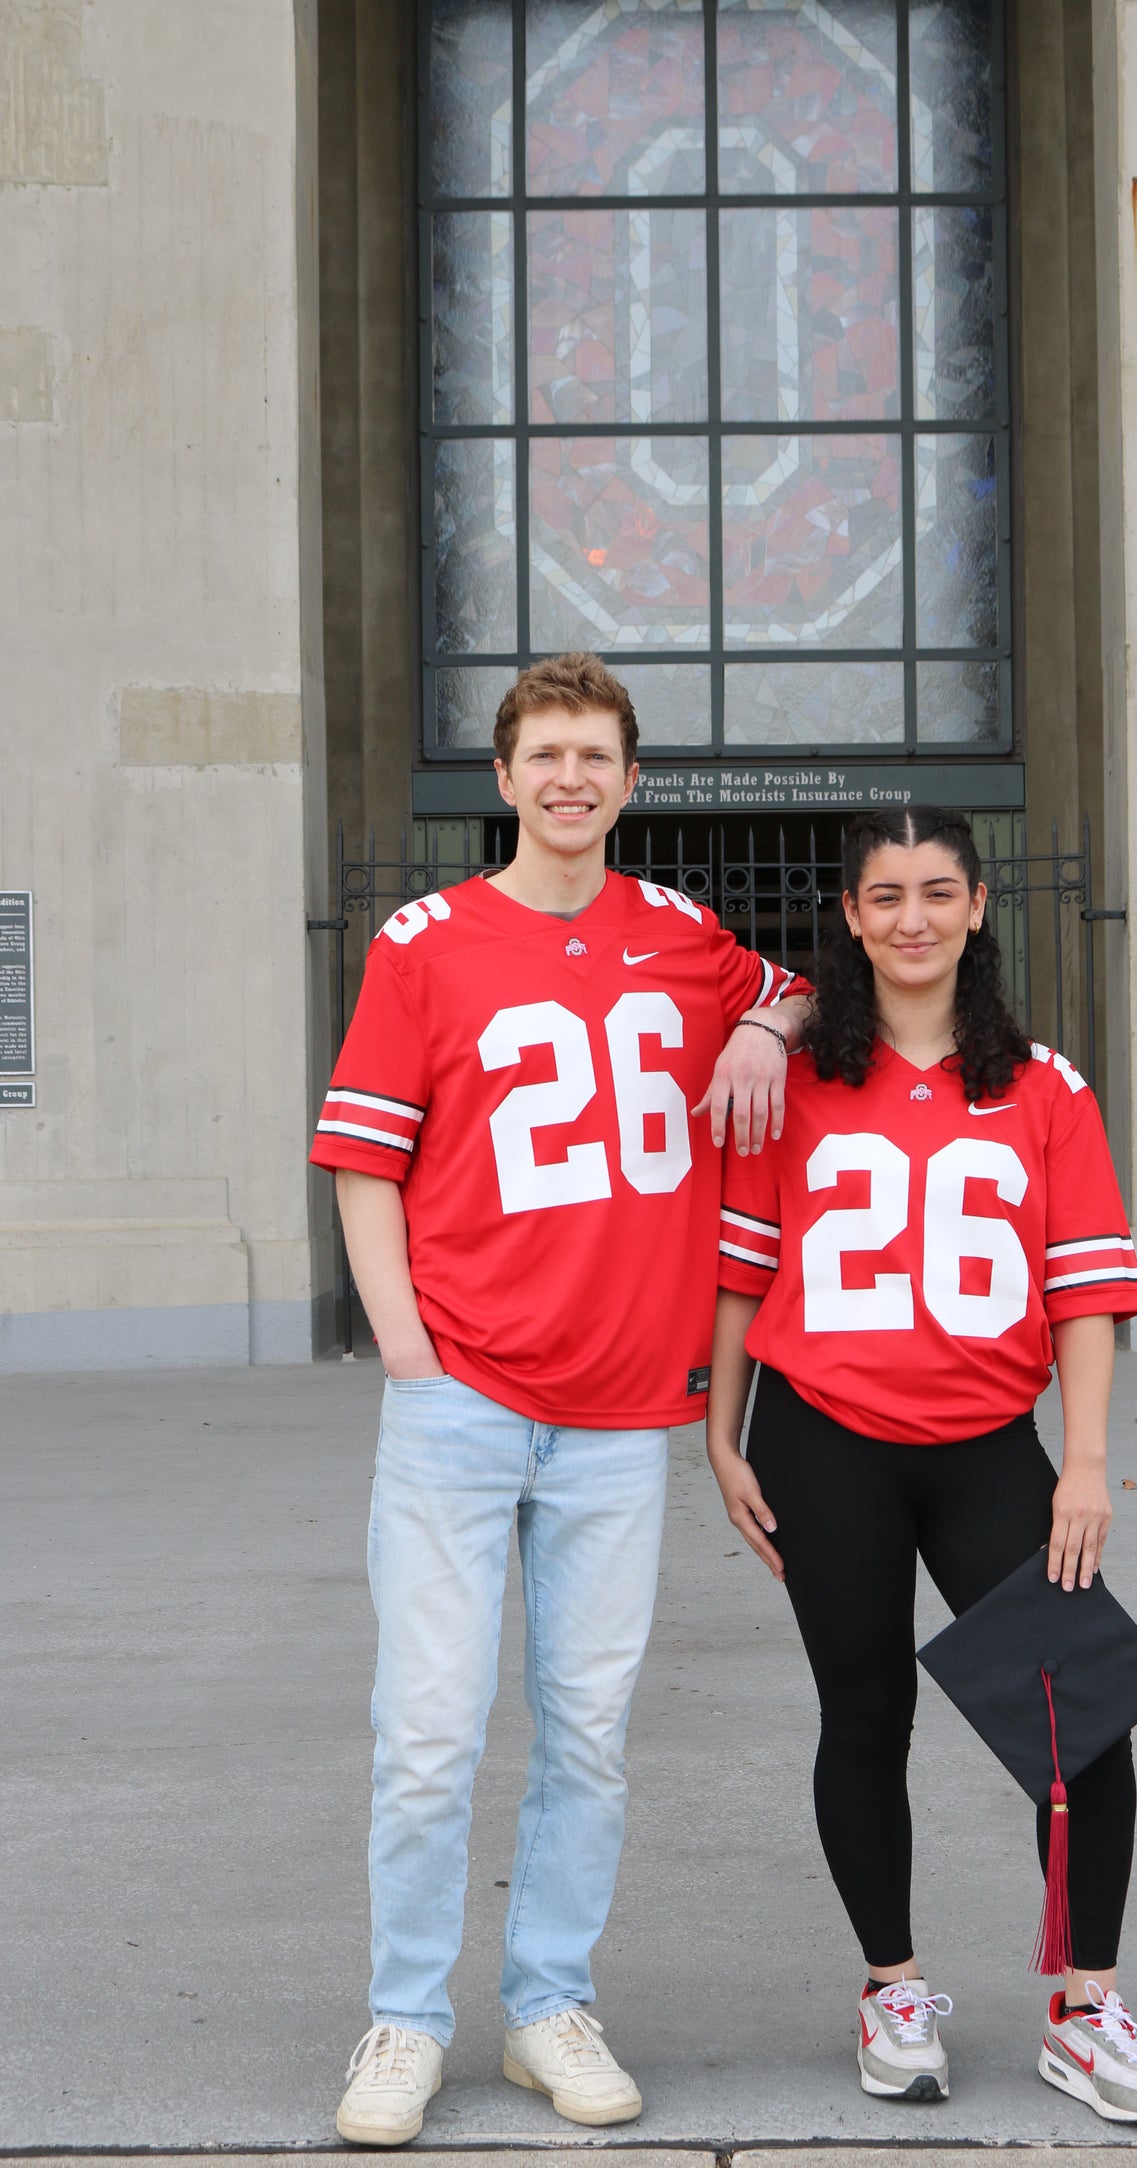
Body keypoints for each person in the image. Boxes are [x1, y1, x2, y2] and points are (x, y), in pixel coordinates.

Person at [311, 653, 810, 2144]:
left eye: (597, 756)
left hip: (614, 1417)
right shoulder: (425, 940)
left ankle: (545, 2006)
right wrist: (406, 1349)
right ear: (503, 774)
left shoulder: (684, 936)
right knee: (428, 1730)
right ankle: (404, 2021)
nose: (571, 779)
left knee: (586, 1728)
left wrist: (758, 1028)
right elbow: (361, 1160)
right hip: (459, 1393)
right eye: (546, 755)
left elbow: (801, 986)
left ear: (631, 779)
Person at [705, 807, 1137, 2125]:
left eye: (934, 891)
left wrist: (1082, 1464)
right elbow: (743, 1269)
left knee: (1078, 1724)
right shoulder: (796, 1082)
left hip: (986, 1447)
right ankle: (891, 1989)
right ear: (849, 919)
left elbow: (1082, 1292)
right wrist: (718, 1435)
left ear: (976, 906)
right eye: (882, 895)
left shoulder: (1040, 1084)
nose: (909, 916)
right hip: (821, 1440)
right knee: (863, 1720)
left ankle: (1083, 2007)